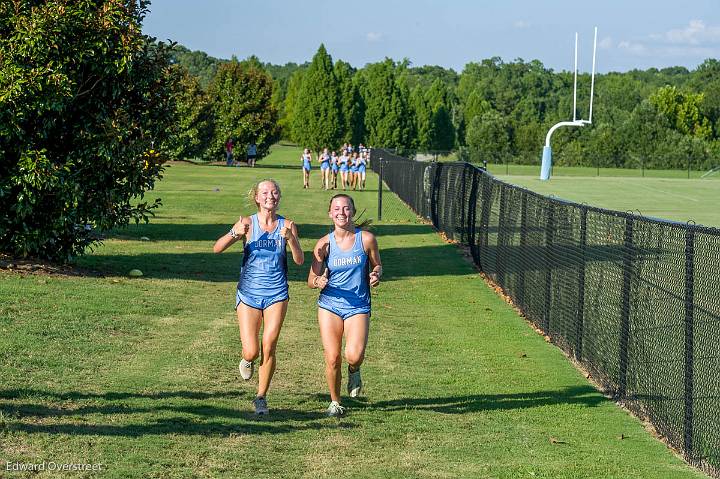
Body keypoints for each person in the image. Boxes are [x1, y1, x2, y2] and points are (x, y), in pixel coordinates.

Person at [213, 179, 304, 415]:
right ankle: (246, 359)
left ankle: (261, 396)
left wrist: (291, 239)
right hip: (249, 293)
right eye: (264, 193)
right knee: (252, 351)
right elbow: (217, 248)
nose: (270, 196)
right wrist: (235, 233)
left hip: (277, 293)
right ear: (256, 197)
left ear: (279, 197)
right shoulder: (246, 223)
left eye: (274, 192)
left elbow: (299, 260)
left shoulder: (287, 225)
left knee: (270, 344)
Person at [307, 194, 382, 417]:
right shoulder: (324, 243)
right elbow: (311, 280)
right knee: (332, 357)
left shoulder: (366, 239)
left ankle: (354, 370)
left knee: (354, 355)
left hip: (358, 305)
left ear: (353, 211)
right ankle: (335, 402)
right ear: (330, 213)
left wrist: (376, 274)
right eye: (337, 209)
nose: (341, 212)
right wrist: (318, 280)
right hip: (329, 304)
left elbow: (378, 265)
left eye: (346, 208)